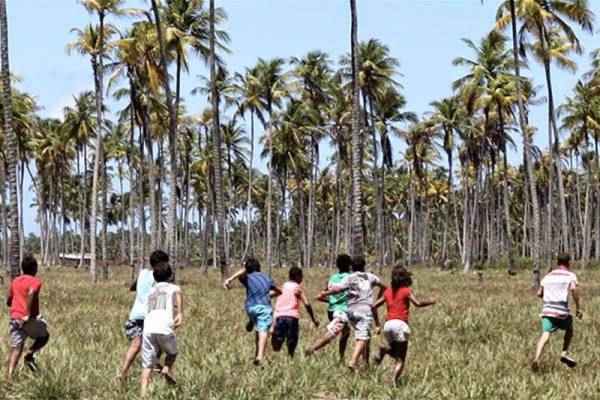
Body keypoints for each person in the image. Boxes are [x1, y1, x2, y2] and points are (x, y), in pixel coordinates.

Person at [316, 256, 385, 371]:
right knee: (363, 338)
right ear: (364, 266)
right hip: (364, 311)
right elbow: (384, 287)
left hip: (350, 311)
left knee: (361, 336)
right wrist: (377, 300)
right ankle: (353, 361)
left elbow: (338, 289)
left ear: (352, 267)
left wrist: (324, 294)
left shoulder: (350, 277)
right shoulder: (370, 277)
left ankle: (365, 364)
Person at [372, 266, 435, 384]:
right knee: (401, 359)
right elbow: (418, 303)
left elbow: (374, 306)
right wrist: (431, 301)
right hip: (401, 325)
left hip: (388, 325)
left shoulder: (388, 291)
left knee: (394, 351)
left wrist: (377, 324)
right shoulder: (406, 291)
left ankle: (385, 350)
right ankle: (393, 381)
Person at [120, 250, 169, 380]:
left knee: (137, 346)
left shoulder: (142, 273)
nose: (167, 266)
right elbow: (159, 302)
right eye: (165, 264)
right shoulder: (160, 280)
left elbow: (132, 287)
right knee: (153, 347)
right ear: (160, 265)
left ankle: (123, 374)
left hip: (134, 316)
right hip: (148, 318)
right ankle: (151, 375)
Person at [223, 258, 280, 365]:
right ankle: (259, 357)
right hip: (264, 307)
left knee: (258, 329)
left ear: (247, 269)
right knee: (263, 331)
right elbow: (278, 291)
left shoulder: (248, 278)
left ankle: (252, 321)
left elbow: (241, 273)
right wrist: (269, 295)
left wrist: (229, 279)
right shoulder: (266, 278)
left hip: (250, 308)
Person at [532, 254, 581, 371]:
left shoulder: (548, 276)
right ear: (568, 263)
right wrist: (578, 308)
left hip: (547, 310)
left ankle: (536, 358)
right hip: (562, 311)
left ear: (557, 262)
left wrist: (549, 295)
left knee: (545, 334)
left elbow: (539, 293)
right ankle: (564, 353)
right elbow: (574, 291)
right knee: (569, 329)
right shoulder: (570, 275)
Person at [140, 262, 183, 397]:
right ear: (170, 276)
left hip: (148, 329)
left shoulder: (151, 290)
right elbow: (178, 293)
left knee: (147, 366)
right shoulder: (173, 287)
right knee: (172, 353)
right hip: (164, 328)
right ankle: (166, 368)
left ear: (154, 277)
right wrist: (180, 313)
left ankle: (143, 394)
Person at [6, 255, 50, 382]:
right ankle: (30, 353)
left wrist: (14, 305)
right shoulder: (35, 281)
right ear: (34, 268)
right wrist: (26, 314)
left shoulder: (15, 281)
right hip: (28, 319)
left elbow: (9, 299)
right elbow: (31, 292)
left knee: (16, 348)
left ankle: (9, 377)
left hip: (15, 319)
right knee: (44, 336)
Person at [306, 254, 352, 360]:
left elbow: (325, 294)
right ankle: (312, 349)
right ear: (349, 265)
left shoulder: (332, 278)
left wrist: (332, 301)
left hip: (331, 310)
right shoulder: (350, 278)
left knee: (346, 332)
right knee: (333, 333)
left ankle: (341, 358)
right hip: (341, 311)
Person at [271, 267, 319, 357]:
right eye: (301, 277)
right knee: (292, 340)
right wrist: (313, 319)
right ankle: (290, 356)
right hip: (292, 317)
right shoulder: (297, 288)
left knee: (277, 342)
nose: (302, 279)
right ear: (297, 277)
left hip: (279, 316)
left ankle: (277, 353)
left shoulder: (283, 286)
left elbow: (270, 295)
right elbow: (307, 304)